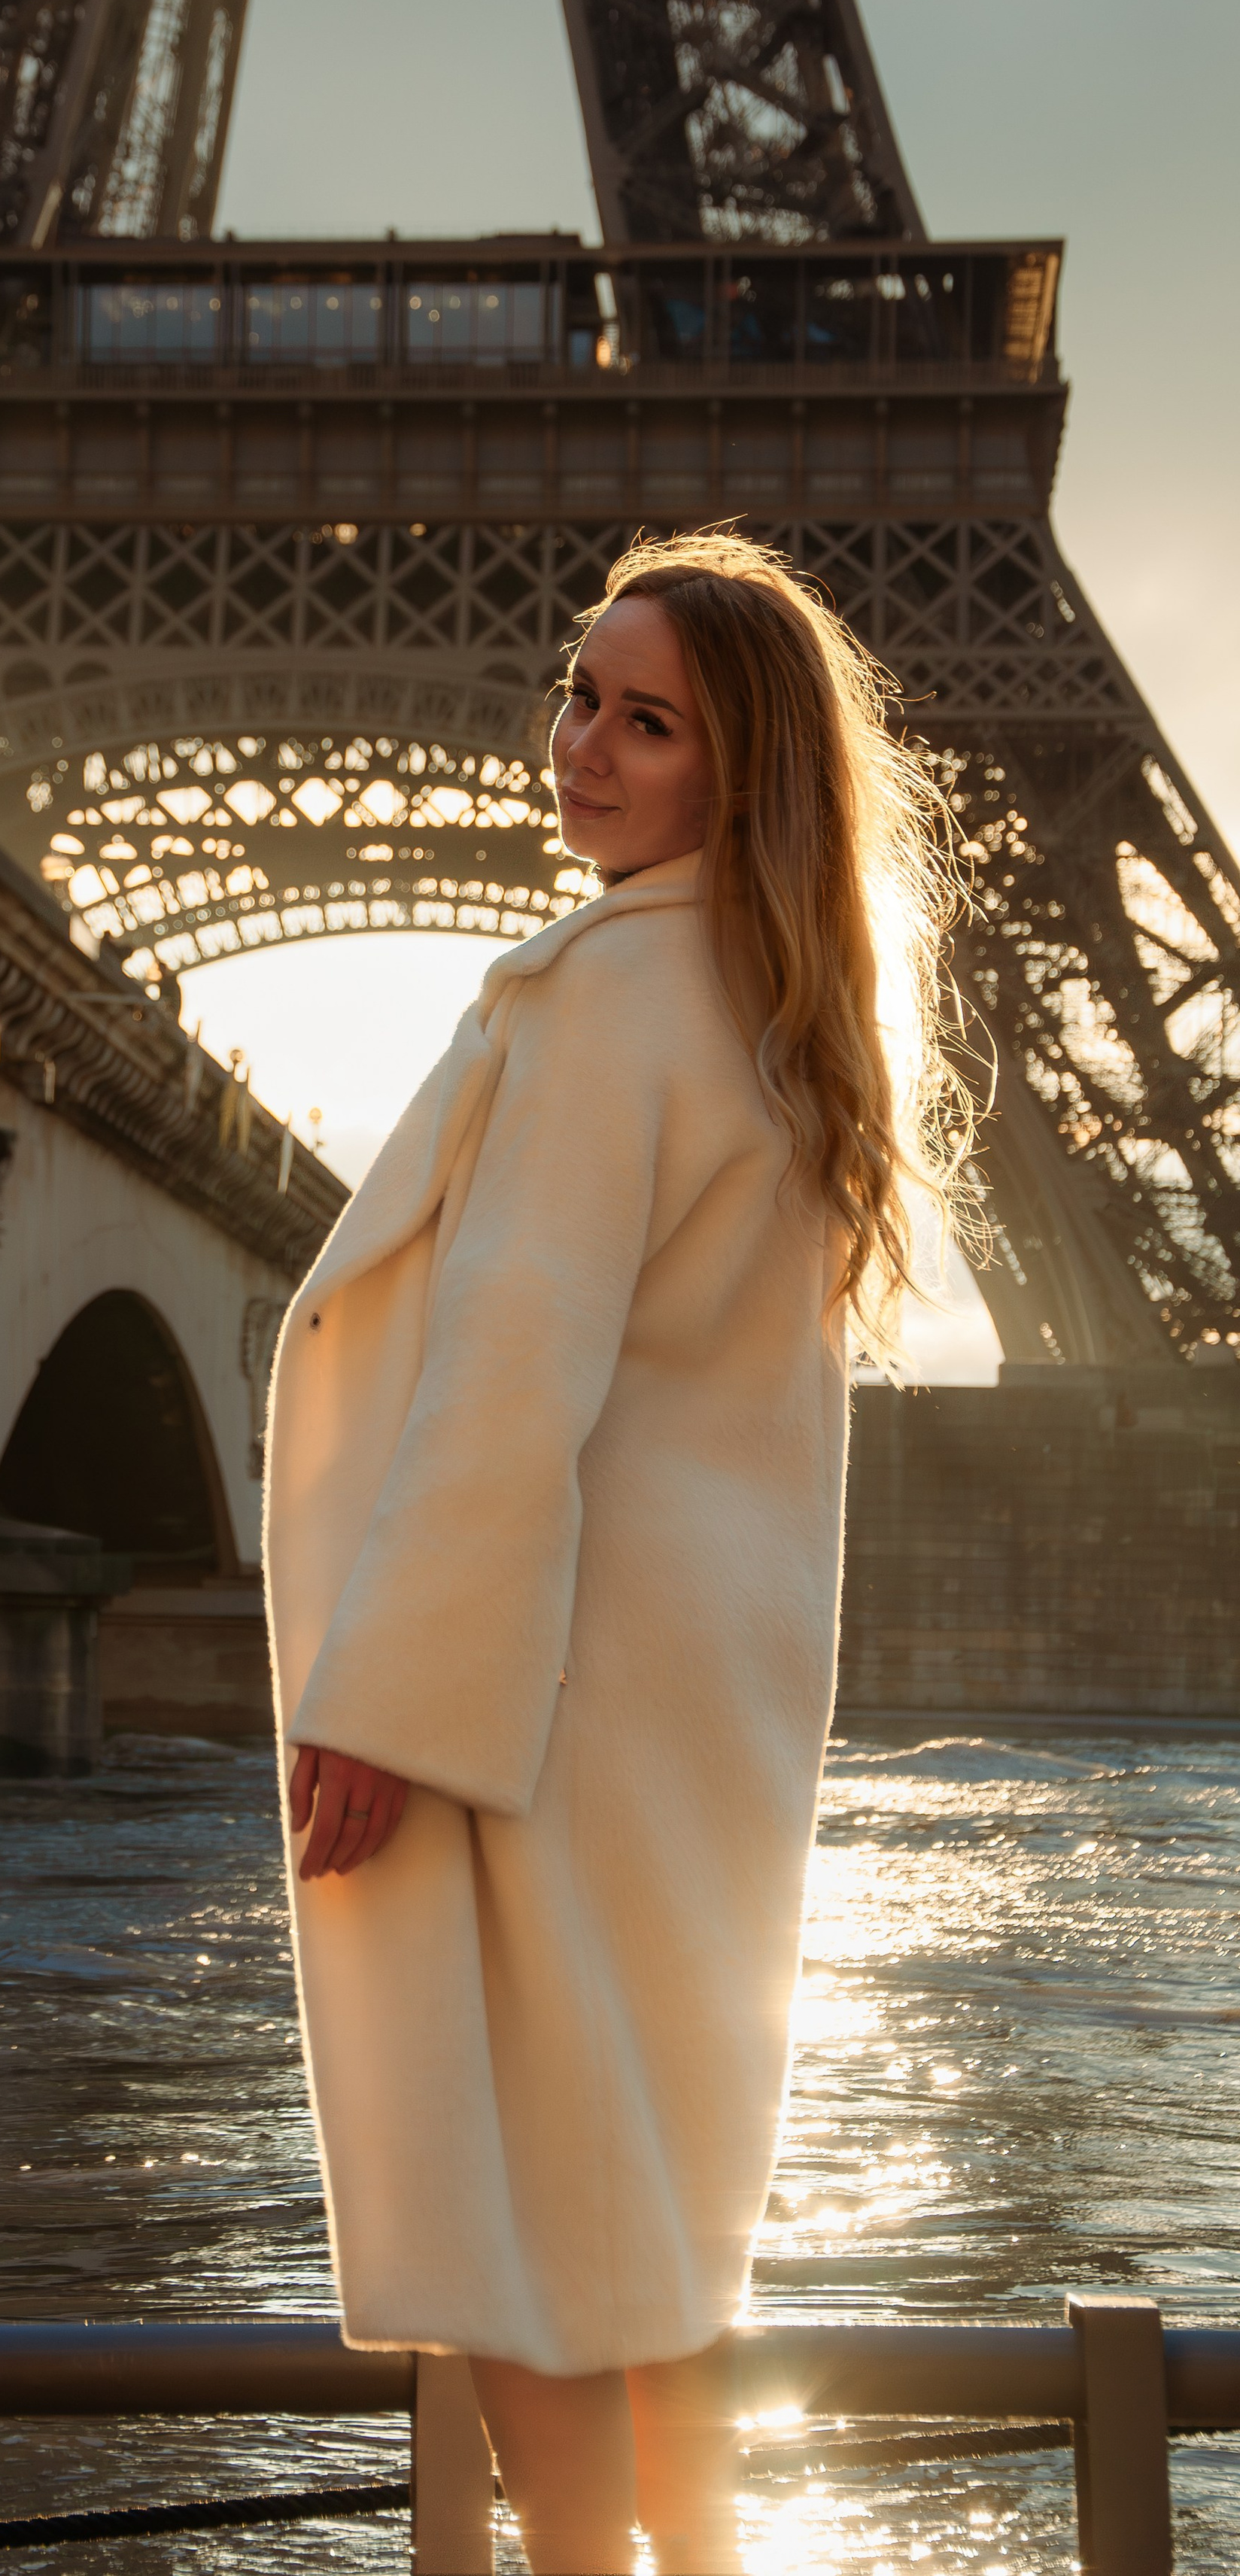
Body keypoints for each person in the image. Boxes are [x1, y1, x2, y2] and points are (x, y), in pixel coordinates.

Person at [263, 530, 971, 2574]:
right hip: (709, 1707)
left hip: (542, 1690)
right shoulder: (783, 1019)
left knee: (536, 2228)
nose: (581, 744)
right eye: (581, 693)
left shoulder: (598, 998)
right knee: (652, 2223)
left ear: (731, 776)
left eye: (643, 721)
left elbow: (512, 1373)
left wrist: (385, 1704)